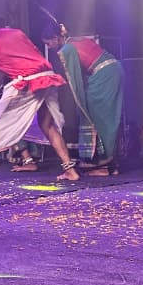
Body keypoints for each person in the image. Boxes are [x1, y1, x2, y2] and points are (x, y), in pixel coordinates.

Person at [0, 0, 80, 182]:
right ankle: (70, 170)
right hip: (48, 77)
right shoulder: (15, 32)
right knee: (47, 125)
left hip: (30, 82)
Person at [40, 21, 125, 176]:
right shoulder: (76, 40)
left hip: (103, 76)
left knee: (95, 117)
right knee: (108, 118)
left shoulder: (67, 49)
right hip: (114, 70)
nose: (49, 47)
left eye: (48, 43)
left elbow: (75, 80)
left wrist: (78, 101)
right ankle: (112, 164)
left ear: (56, 38)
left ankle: (103, 165)